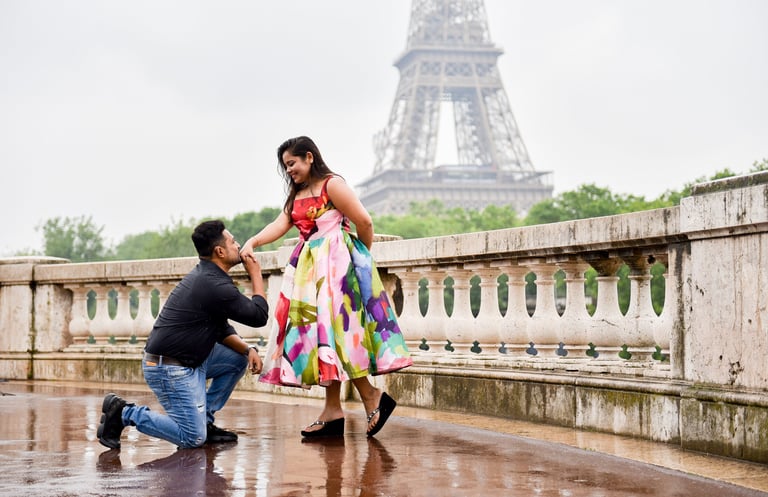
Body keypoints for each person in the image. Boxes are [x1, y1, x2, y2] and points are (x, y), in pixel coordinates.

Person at [239, 136, 412, 438]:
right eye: (285, 166)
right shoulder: (298, 195)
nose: (289, 171)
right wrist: (253, 240)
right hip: (310, 273)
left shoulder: (333, 185)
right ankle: (335, 410)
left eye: (292, 164)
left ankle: (368, 398)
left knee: (338, 335)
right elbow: (281, 225)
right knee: (325, 338)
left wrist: (358, 263)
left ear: (309, 157)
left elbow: (364, 222)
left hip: (336, 270)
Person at [97, 220, 269, 449]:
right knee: (192, 438)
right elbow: (259, 316)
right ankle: (124, 413)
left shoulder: (209, 277)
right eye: (233, 241)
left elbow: (220, 328)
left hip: (190, 359)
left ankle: (204, 420)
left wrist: (248, 350)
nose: (238, 245)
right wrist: (255, 273)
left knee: (238, 359)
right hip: (169, 368)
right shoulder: (214, 285)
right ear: (220, 251)